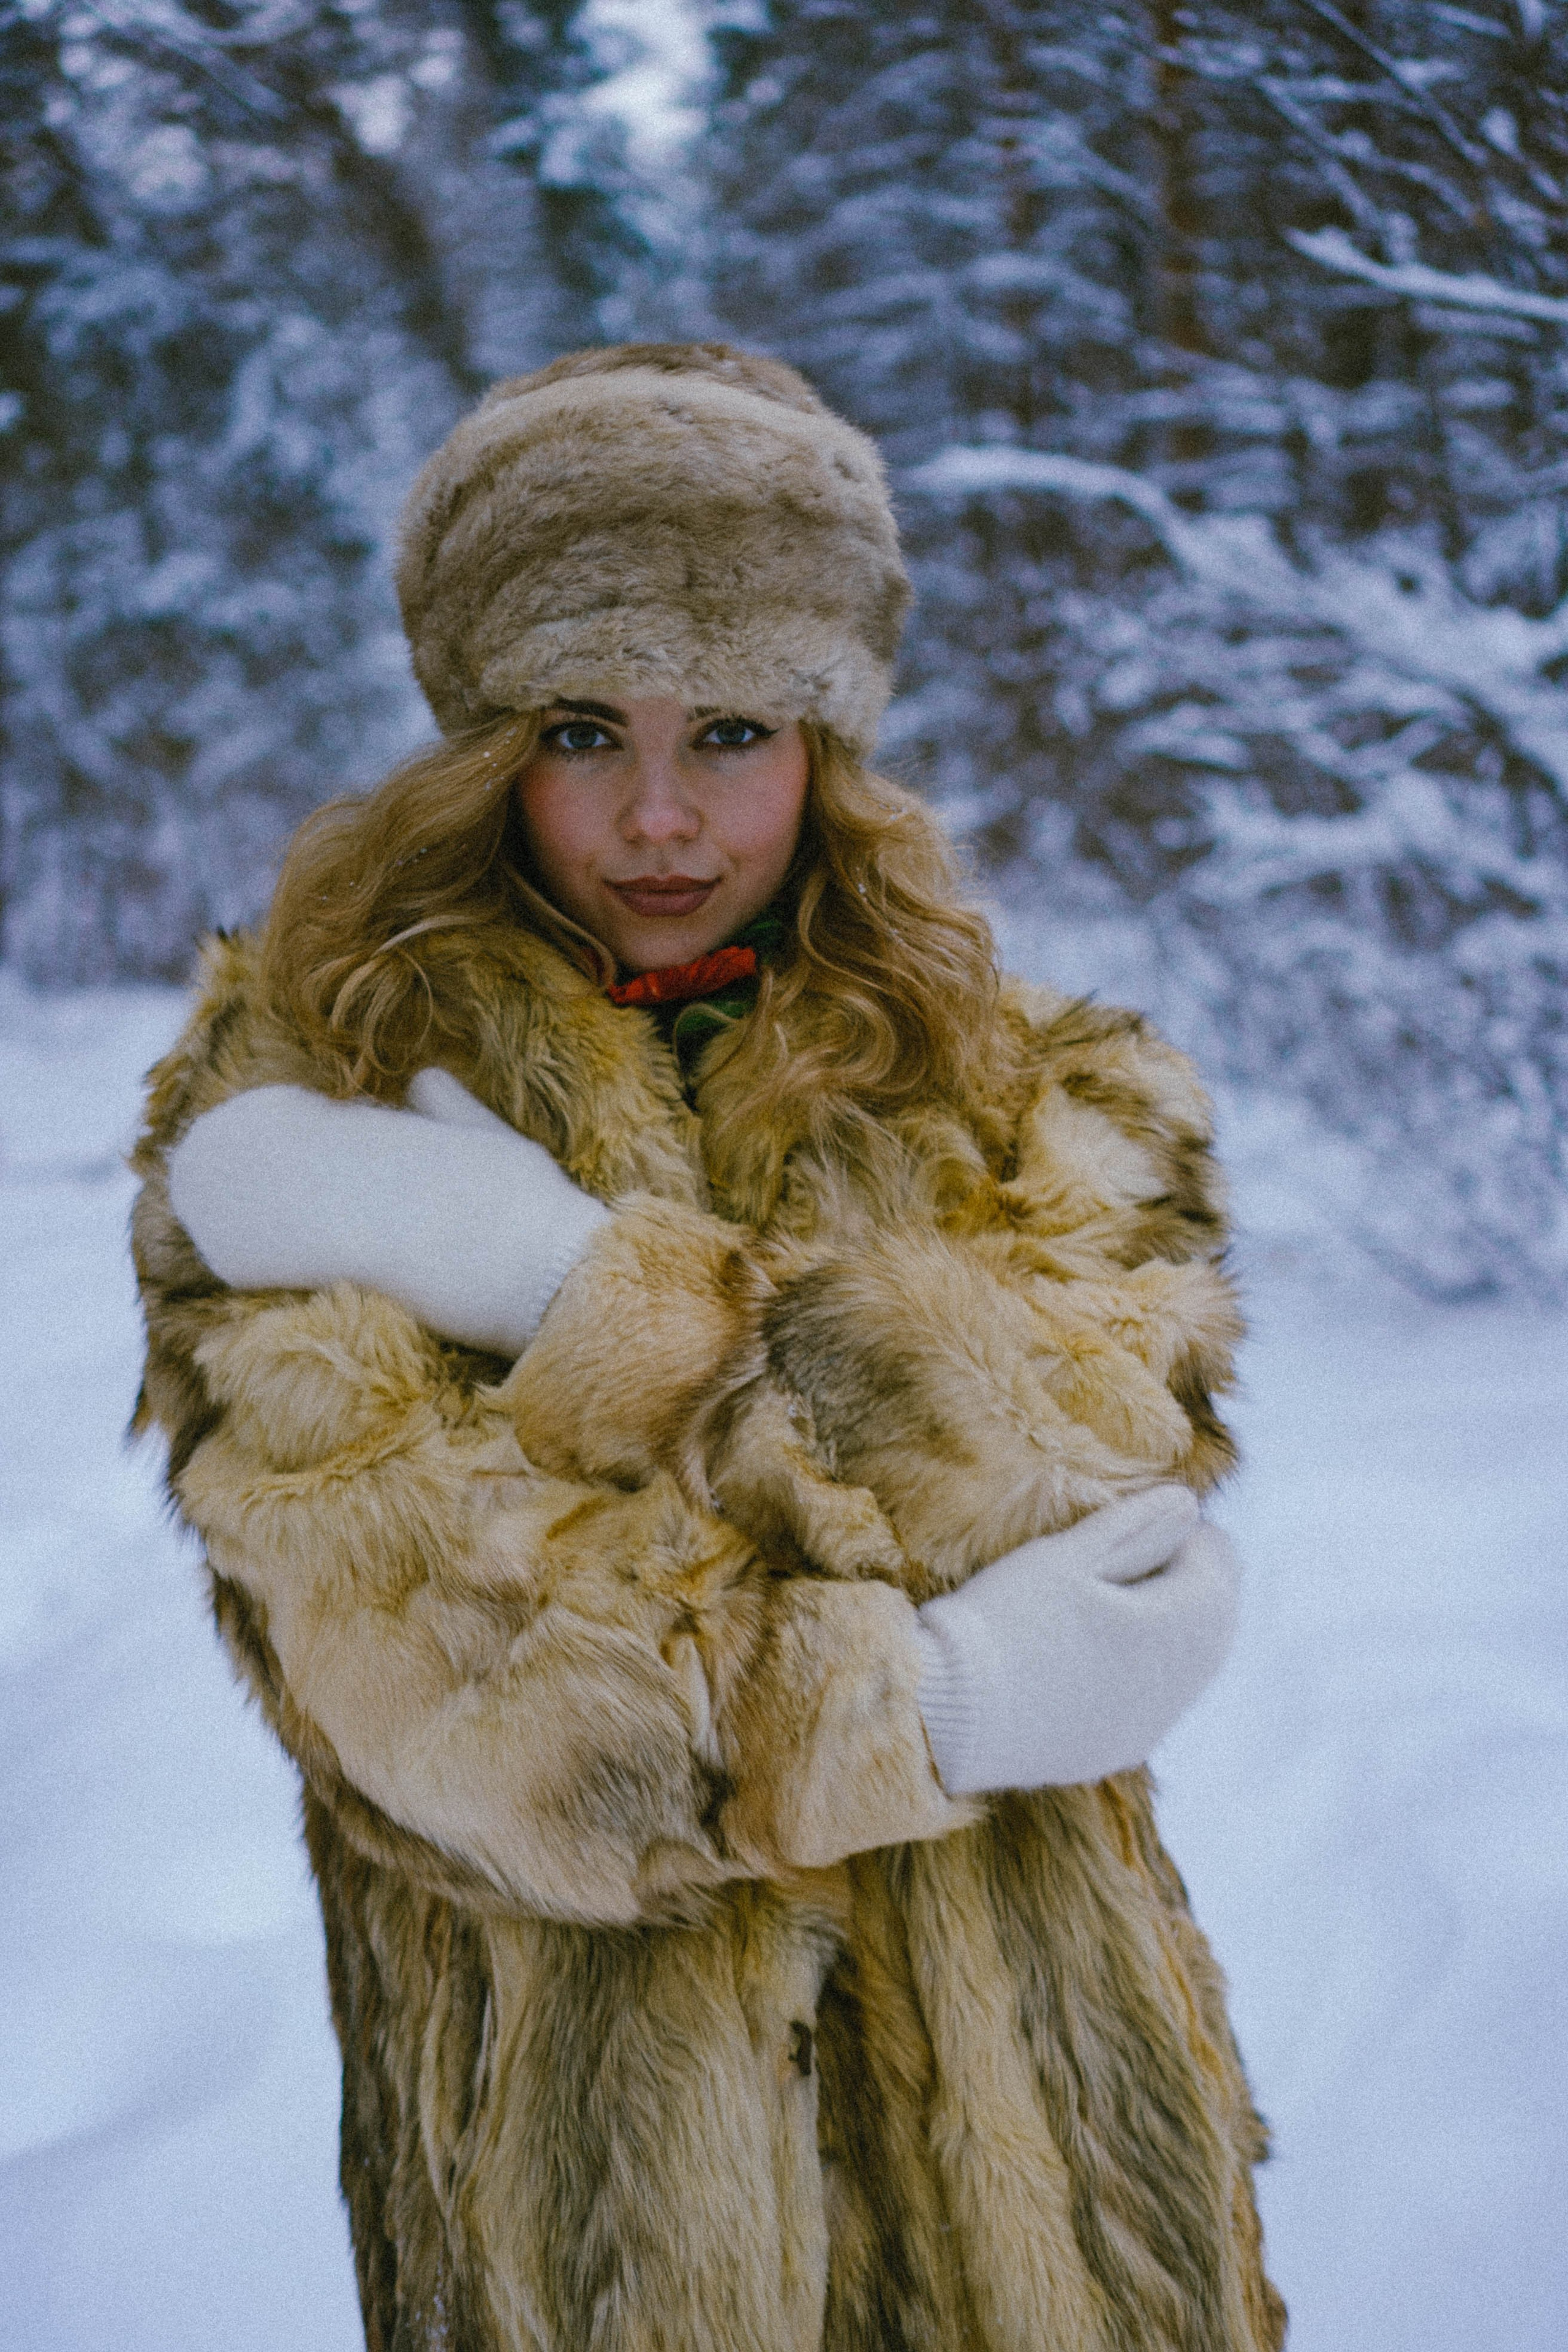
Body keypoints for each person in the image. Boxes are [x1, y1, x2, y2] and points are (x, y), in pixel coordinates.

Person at [131, 342, 1284, 2352]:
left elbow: (1086, 1492)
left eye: (733, 728)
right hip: (605, 2234)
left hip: (1066, 2200)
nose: (659, 816)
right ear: (484, 747)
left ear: (829, 741)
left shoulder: (1046, 1093)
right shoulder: (310, 1109)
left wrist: (573, 1293)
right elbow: (476, 1713)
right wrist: (945, 1700)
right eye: (583, 729)